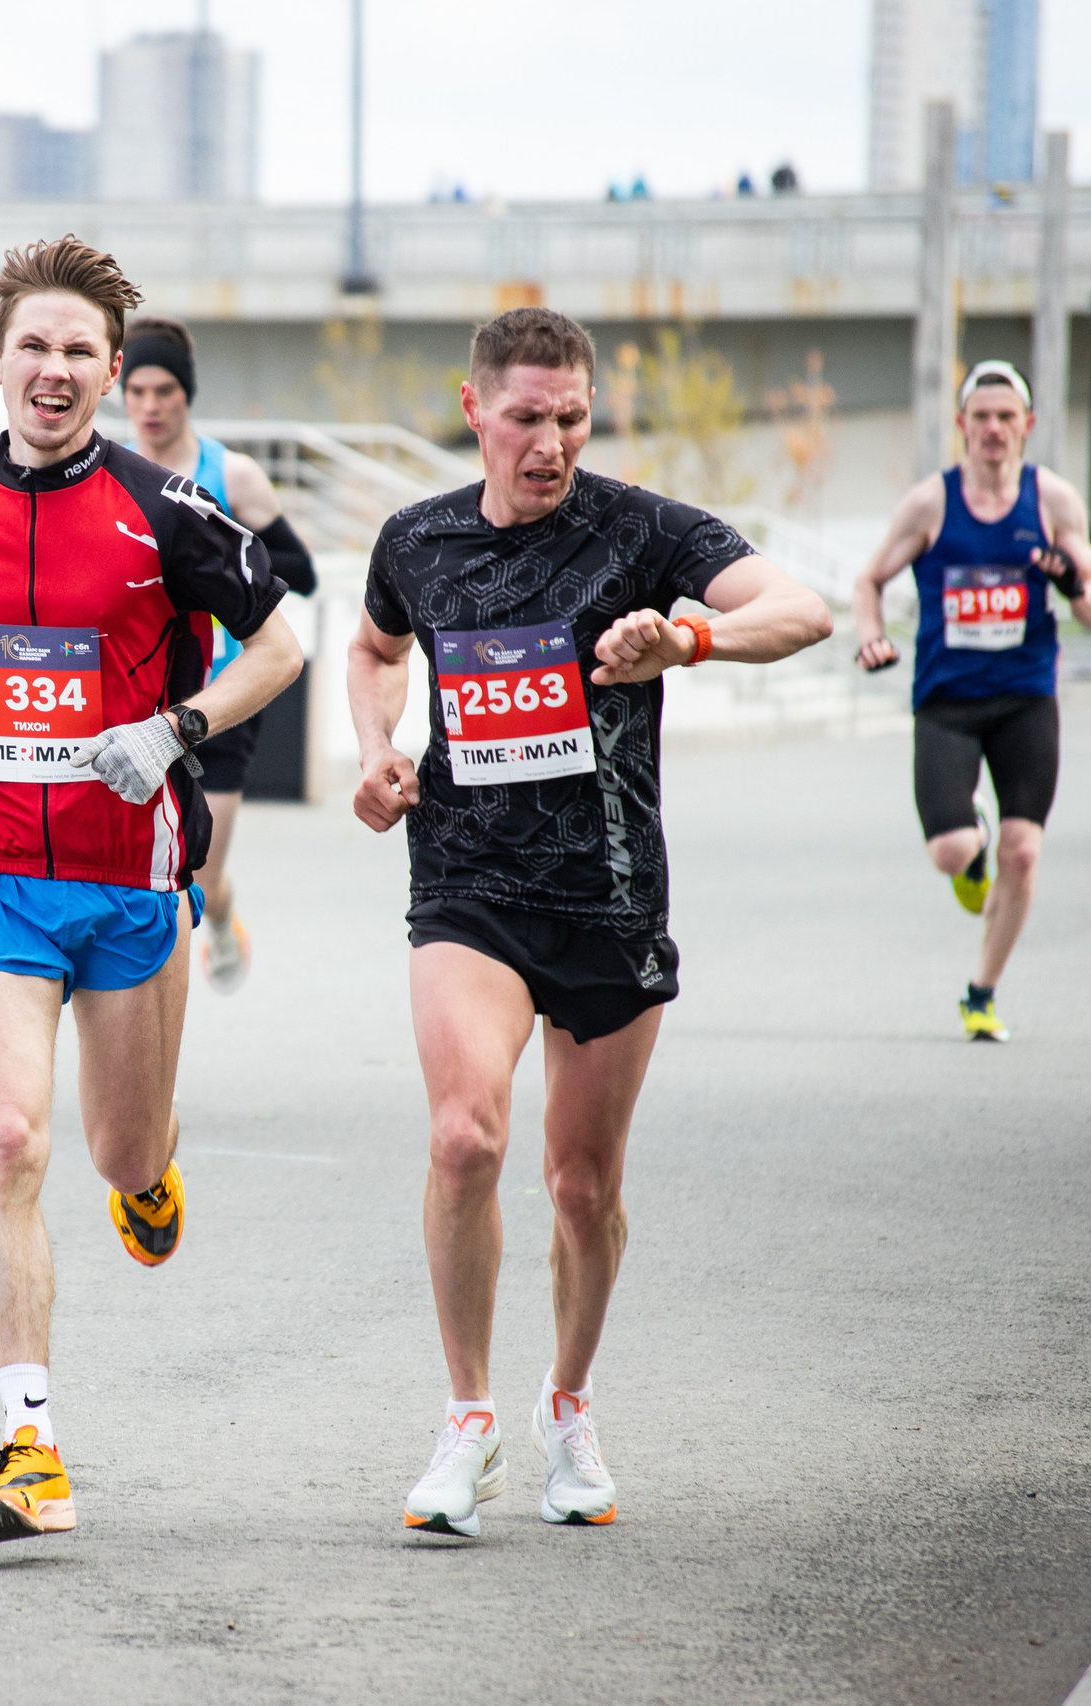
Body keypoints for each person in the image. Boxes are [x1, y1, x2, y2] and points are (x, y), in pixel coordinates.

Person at [347, 307, 832, 1538]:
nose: (551, 441)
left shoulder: (642, 530)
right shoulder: (420, 538)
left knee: (577, 1184)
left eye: (571, 416)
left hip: (611, 900)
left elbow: (803, 608)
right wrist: (375, 748)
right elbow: (373, 645)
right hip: (466, 883)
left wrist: (689, 635)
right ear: (474, 410)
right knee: (465, 1137)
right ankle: (468, 1420)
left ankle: (568, 1402)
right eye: (526, 416)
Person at [0, 237, 300, 1546]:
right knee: (8, 1137)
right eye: (35, 346)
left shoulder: (168, 509)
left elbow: (280, 645)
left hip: (132, 880)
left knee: (120, 1150)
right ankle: (30, 1442)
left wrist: (176, 729)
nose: (55, 370)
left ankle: (151, 1173)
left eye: (80, 351)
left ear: (114, 373)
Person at [851, 359, 1091, 1042]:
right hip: (947, 700)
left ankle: (981, 992)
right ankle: (972, 855)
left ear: (1027, 427)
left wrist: (1073, 585)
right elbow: (867, 579)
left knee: (1024, 854)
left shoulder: (1053, 501)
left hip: (1026, 698)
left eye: (1006, 418)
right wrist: (872, 637)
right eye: (981, 418)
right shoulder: (930, 504)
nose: (994, 430)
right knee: (950, 850)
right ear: (962, 427)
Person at [119, 314, 316, 991]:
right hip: (140, 688)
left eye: (164, 391)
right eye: (136, 390)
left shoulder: (230, 472)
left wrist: (215, 566)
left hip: (226, 691)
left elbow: (302, 568)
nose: (149, 406)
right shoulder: (111, 472)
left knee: (193, 874)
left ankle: (219, 913)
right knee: (143, 864)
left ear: (187, 393)